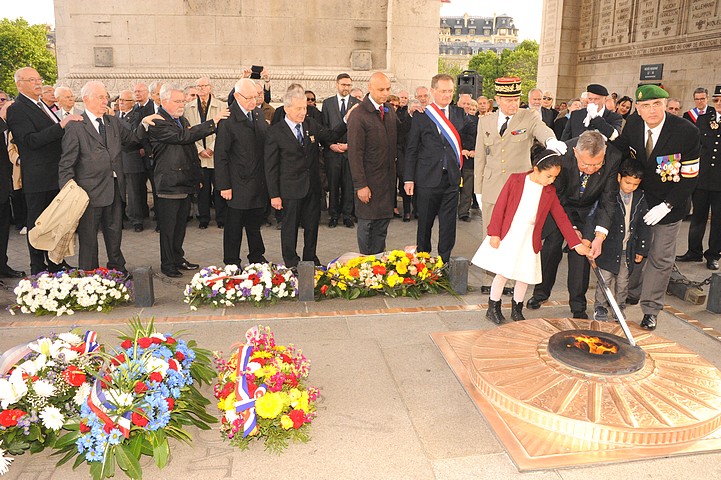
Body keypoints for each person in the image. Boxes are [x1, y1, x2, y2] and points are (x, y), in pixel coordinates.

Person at [612, 84, 700, 330]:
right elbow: (619, 149)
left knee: (660, 257)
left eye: (657, 105)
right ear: (638, 109)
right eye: (646, 106)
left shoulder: (686, 132)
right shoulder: (633, 125)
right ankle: (634, 291)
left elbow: (690, 176)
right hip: (639, 202)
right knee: (636, 251)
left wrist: (667, 205)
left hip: (670, 204)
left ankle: (651, 308)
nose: (652, 111)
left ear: (666, 105)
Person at [472, 149, 591, 323]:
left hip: (530, 237)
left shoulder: (549, 192)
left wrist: (576, 243)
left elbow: (561, 218)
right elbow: (500, 207)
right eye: (549, 176)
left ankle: (517, 308)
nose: (552, 181)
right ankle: (493, 307)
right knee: (504, 272)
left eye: (555, 177)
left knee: (524, 275)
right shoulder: (516, 180)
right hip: (510, 233)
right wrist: (494, 233)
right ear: (536, 169)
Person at [57, 81, 150, 273]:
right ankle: (89, 273)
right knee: (89, 236)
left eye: (106, 97)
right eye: (100, 97)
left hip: (114, 187)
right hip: (87, 192)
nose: (105, 101)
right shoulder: (76, 126)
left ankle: (117, 269)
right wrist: (68, 192)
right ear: (86, 99)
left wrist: (144, 124)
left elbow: (132, 139)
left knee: (114, 232)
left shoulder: (112, 121)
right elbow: (66, 163)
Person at [527, 131, 620, 318]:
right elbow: (557, 194)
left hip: (589, 211)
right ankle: (540, 293)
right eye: (585, 164)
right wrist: (571, 230)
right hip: (560, 206)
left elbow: (608, 199)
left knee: (581, 255)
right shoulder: (562, 153)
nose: (591, 169)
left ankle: (578, 305)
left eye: (596, 164)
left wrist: (599, 236)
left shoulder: (613, 156)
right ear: (576, 152)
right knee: (551, 248)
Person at [473, 77, 567, 255]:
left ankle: (509, 280)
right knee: (490, 235)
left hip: (518, 188)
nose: (513, 104)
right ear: (498, 99)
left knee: (515, 235)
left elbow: (541, 128)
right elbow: (480, 158)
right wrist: (478, 189)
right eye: (509, 100)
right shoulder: (485, 121)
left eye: (516, 99)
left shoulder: (528, 116)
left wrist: (550, 140)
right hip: (492, 187)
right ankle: (489, 280)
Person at [147, 83, 229, 277]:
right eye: (177, 101)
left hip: (184, 181)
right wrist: (213, 122)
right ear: (164, 101)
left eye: (183, 101)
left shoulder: (180, 120)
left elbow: (190, 150)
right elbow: (183, 137)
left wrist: (197, 177)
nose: (181, 105)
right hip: (168, 183)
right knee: (168, 229)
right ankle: (167, 265)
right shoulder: (158, 121)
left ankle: (178, 258)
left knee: (179, 226)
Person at [6, 67, 83, 274]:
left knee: (58, 222)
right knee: (38, 224)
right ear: (19, 84)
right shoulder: (17, 108)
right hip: (39, 178)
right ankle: (38, 268)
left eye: (39, 79)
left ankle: (56, 263)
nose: (38, 83)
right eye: (32, 80)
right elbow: (30, 141)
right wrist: (62, 125)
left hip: (56, 175)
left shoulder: (43, 105)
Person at [265, 84, 349, 269]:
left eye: (305, 108)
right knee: (290, 228)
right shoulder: (275, 132)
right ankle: (291, 262)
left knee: (312, 227)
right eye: (299, 109)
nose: (303, 112)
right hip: (289, 189)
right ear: (287, 109)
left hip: (312, 187)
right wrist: (274, 195)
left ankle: (310, 257)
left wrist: (346, 120)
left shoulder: (311, 124)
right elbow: (270, 166)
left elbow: (331, 135)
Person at [404, 74, 476, 262]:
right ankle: (423, 262)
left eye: (450, 91)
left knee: (448, 225)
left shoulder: (460, 114)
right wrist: (408, 178)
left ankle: (444, 261)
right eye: (443, 91)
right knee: (425, 224)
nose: (447, 95)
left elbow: (475, 133)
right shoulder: (421, 115)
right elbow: (411, 149)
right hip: (427, 179)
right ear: (433, 91)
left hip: (451, 178)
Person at [214, 78, 270, 267]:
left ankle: (256, 256)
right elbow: (220, 156)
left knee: (255, 224)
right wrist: (224, 186)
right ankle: (231, 261)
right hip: (236, 183)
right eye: (249, 98)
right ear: (237, 96)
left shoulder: (257, 114)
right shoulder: (228, 120)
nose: (254, 101)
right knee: (234, 226)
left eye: (256, 96)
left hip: (257, 181)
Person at [588, 159, 650, 321]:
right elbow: (597, 217)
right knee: (605, 280)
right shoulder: (610, 195)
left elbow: (644, 225)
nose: (630, 187)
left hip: (627, 249)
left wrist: (641, 249)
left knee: (623, 282)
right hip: (608, 248)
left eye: (635, 184)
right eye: (627, 182)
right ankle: (600, 307)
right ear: (619, 178)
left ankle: (619, 308)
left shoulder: (641, 197)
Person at [347, 72, 397, 254]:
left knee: (382, 227)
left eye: (388, 89)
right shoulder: (359, 114)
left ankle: (378, 265)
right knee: (367, 227)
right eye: (381, 89)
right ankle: (366, 266)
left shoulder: (389, 111)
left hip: (386, 182)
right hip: (368, 183)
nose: (385, 93)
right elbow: (354, 153)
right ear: (370, 88)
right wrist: (361, 185)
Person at [676, 85, 721, 270]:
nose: (718, 104)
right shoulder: (702, 120)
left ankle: (713, 255)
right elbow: (695, 146)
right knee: (698, 218)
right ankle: (694, 252)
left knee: (718, 220)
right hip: (702, 178)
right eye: (716, 100)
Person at [183, 77, 226, 229]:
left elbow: (224, 130)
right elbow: (187, 131)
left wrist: (212, 148)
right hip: (199, 154)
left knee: (219, 186)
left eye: (204, 86)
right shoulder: (188, 108)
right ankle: (204, 218)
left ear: (210, 87)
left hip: (216, 153)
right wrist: (200, 149)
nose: (201, 89)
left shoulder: (222, 105)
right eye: (198, 86)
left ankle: (221, 218)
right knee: (202, 188)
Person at [322, 73, 360, 229]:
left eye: (349, 85)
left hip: (349, 152)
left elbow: (359, 129)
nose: (346, 88)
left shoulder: (357, 103)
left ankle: (347, 215)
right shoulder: (327, 103)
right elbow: (324, 128)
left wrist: (350, 145)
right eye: (344, 85)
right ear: (337, 85)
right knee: (333, 185)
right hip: (332, 152)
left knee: (348, 185)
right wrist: (330, 144)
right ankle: (334, 215)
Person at [0, 100, 25, 278]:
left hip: (4, 185)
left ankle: (3, 265)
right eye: (1, 101)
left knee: (3, 230)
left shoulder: (9, 125)